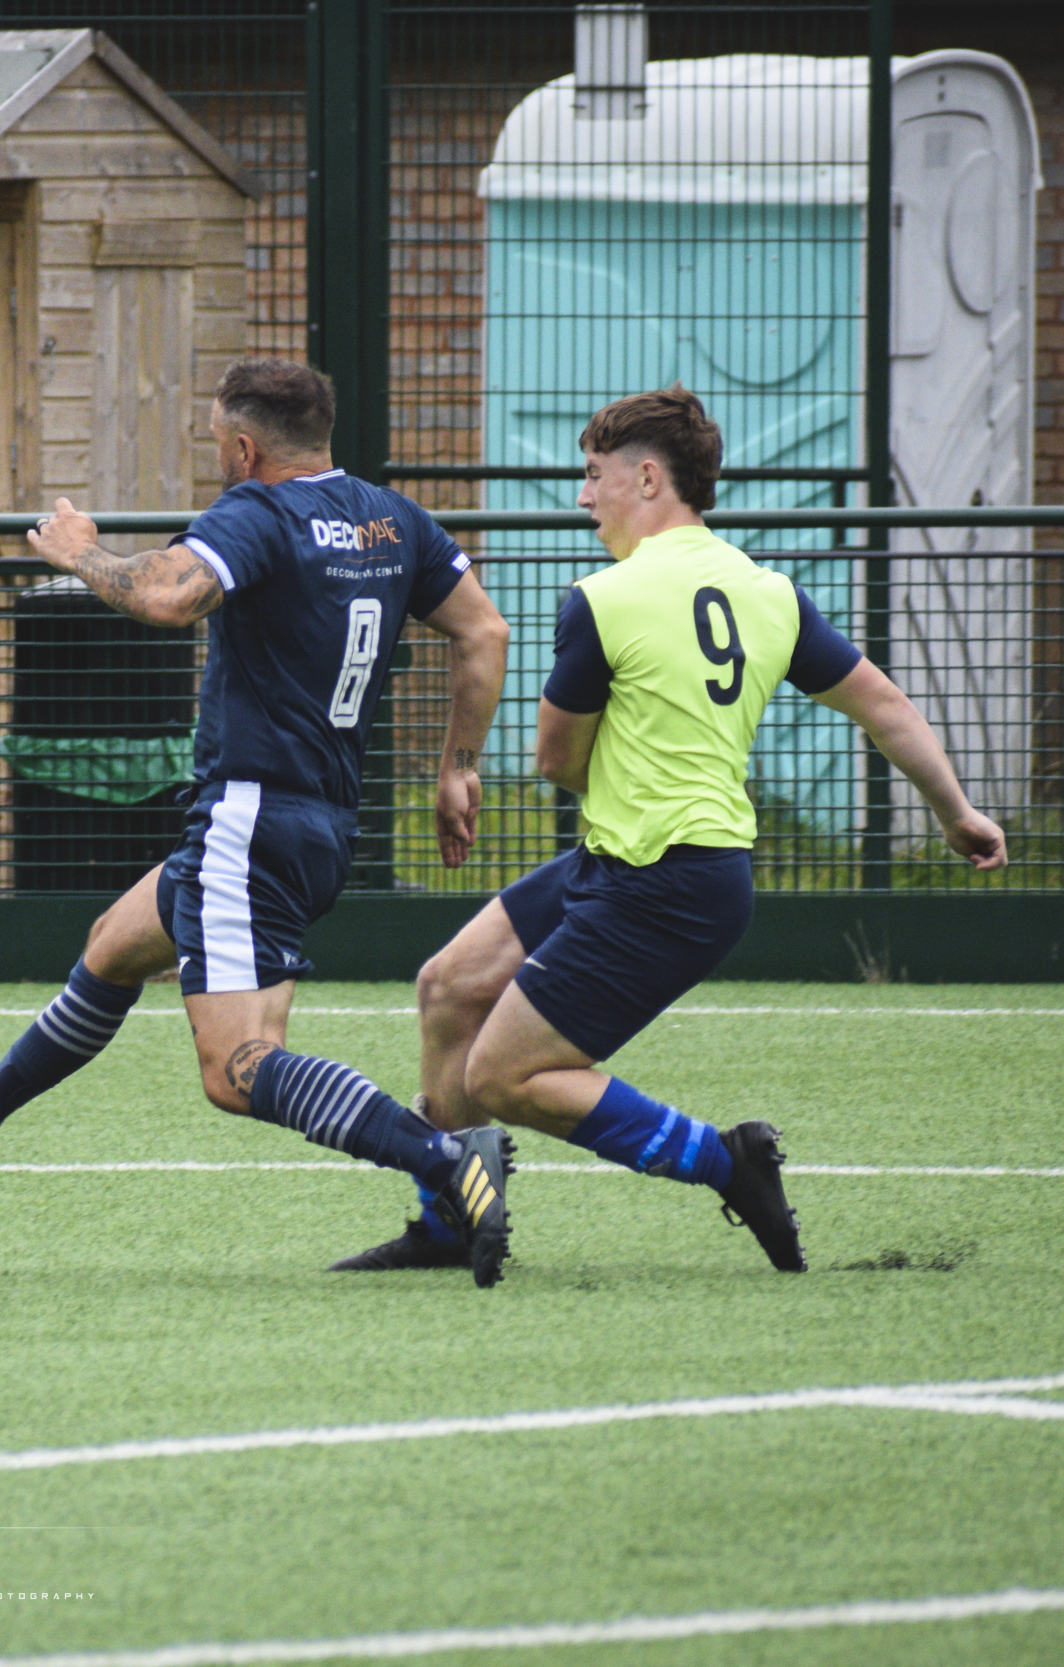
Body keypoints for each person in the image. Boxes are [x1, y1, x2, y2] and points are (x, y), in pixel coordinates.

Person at [334, 383, 1008, 1276]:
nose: (582, 495)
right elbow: (884, 704)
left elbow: (556, 761)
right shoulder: (768, 592)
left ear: (647, 477)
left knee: (500, 1076)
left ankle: (728, 1162)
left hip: (665, 880)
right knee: (449, 986)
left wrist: (603, 766)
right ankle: (451, 1219)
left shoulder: (604, 599)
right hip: (640, 862)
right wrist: (955, 811)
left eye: (592, 475)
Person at [0, 358, 521, 1285]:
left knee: (236, 1070)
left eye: (216, 442)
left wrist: (76, 552)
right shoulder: (394, 518)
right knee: (115, 943)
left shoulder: (259, 512)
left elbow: (164, 595)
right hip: (319, 826)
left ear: (243, 444)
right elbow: (485, 632)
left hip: (249, 819)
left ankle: (446, 1159)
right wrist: (457, 768)